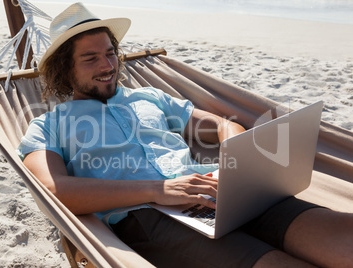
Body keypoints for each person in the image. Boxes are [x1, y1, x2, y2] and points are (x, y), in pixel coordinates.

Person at [18, 2, 353, 267]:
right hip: (146, 216)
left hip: (214, 191)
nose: (108, 65)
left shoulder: (150, 96)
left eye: (109, 53)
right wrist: (160, 189)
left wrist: (235, 155)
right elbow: (51, 190)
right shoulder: (49, 125)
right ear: (65, 68)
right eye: (90, 58)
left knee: (342, 236)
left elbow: (221, 123)